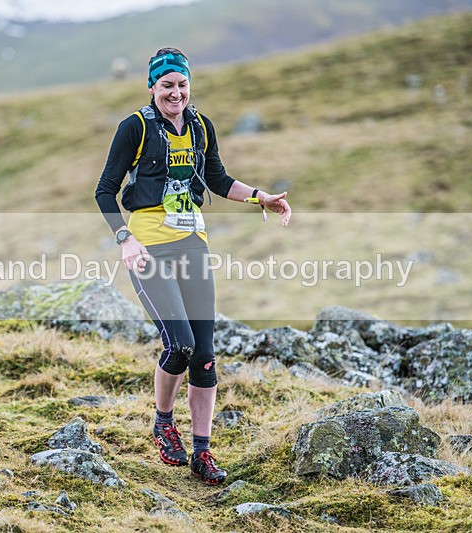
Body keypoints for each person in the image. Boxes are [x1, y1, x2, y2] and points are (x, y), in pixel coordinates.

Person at [94, 47, 291, 485]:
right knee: (178, 346)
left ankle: (202, 453)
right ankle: (163, 421)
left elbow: (217, 180)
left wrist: (262, 197)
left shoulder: (201, 126)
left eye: (182, 84)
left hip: (193, 247)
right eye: (167, 85)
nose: (176, 93)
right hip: (148, 250)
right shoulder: (136, 127)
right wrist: (125, 239)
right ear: (152, 87)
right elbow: (105, 191)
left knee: (203, 358)